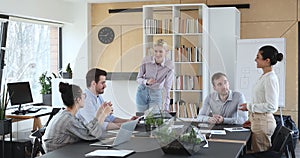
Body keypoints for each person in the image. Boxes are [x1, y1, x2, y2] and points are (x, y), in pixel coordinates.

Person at [44, 82, 112, 152]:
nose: (85, 97)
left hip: (63, 152)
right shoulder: (68, 120)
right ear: (78, 99)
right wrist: (104, 114)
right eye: (83, 95)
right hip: (57, 154)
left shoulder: (67, 114)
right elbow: (92, 136)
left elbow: (87, 130)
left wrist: (99, 113)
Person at [239, 45, 283, 152]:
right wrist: (251, 119)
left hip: (263, 123)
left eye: (258, 57)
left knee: (260, 155)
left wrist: (249, 107)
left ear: (267, 61)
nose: (255, 59)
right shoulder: (265, 77)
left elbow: (272, 106)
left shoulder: (270, 79)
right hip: (258, 121)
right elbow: (261, 100)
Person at [136, 39, 174, 112]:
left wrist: (166, 107)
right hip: (142, 92)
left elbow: (167, 87)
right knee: (141, 118)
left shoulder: (169, 65)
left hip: (156, 93)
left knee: (154, 119)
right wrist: (146, 81)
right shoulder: (146, 60)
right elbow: (138, 78)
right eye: (155, 51)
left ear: (166, 52)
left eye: (160, 51)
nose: (157, 54)